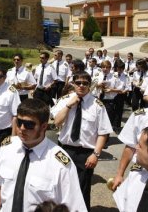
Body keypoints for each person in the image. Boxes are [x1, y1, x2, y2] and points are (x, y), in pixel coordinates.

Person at [0, 99, 87, 212]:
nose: (21, 128)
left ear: (44, 126)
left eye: (29, 124)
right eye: (19, 122)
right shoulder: (7, 147)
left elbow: (73, 206)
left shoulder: (60, 164)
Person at [52, 71, 113, 210]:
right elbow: (56, 122)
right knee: (61, 186)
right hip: (64, 149)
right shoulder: (66, 99)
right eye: (78, 83)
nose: (81, 86)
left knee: (82, 189)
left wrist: (96, 154)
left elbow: (103, 133)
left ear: (89, 85)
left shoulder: (97, 105)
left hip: (85, 153)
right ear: (73, 83)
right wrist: (68, 106)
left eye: (85, 83)